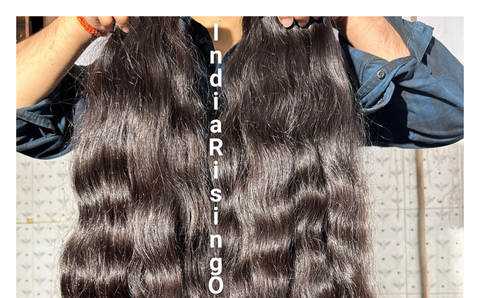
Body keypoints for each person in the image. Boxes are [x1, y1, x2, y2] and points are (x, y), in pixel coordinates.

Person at [16, 15, 463, 160]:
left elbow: (452, 111)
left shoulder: (322, 62)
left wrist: (351, 13)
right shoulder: (133, 78)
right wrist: (80, 22)